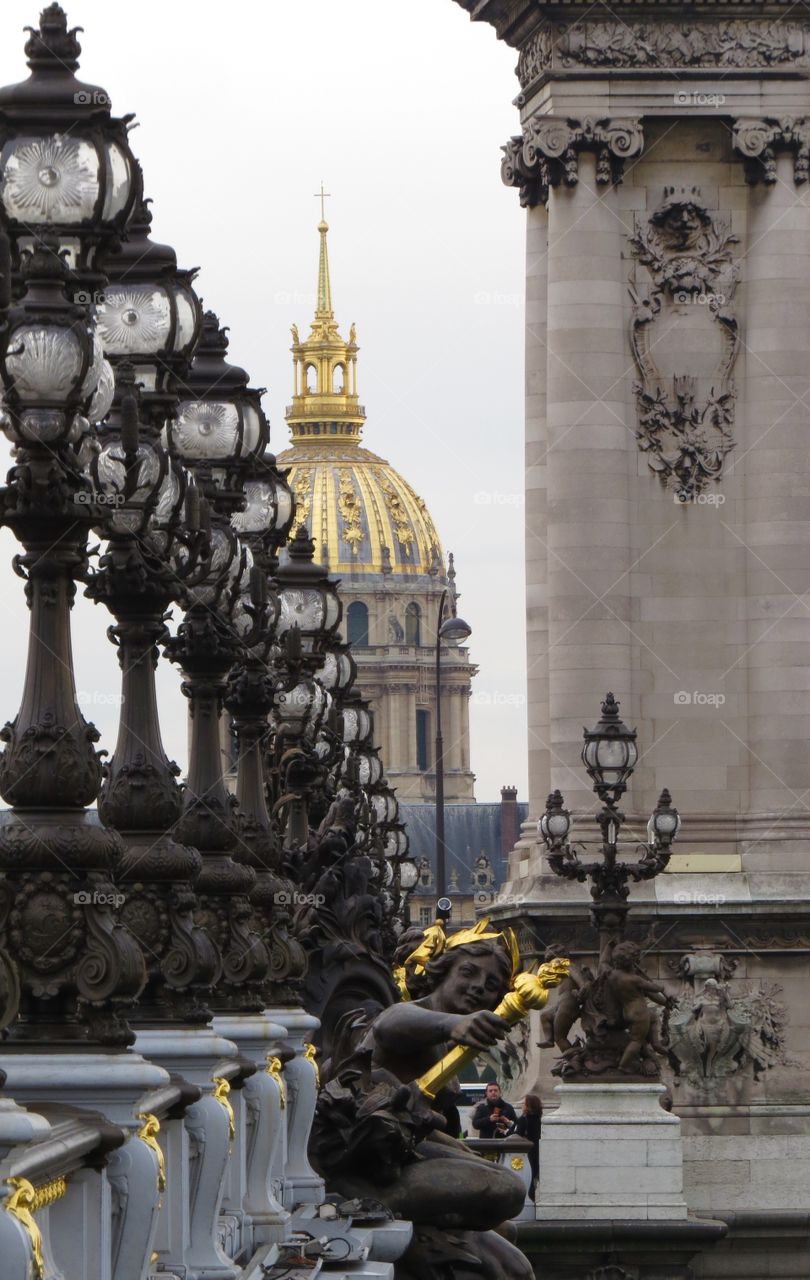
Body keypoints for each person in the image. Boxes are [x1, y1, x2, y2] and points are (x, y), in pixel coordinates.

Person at [514, 1094, 542, 1197]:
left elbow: (517, 1135)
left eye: (524, 1103)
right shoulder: (539, 1119)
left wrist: (509, 1130)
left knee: (525, 1178)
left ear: (528, 1106)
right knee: (533, 1177)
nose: (522, 1105)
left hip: (525, 1154)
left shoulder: (523, 1119)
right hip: (537, 1152)